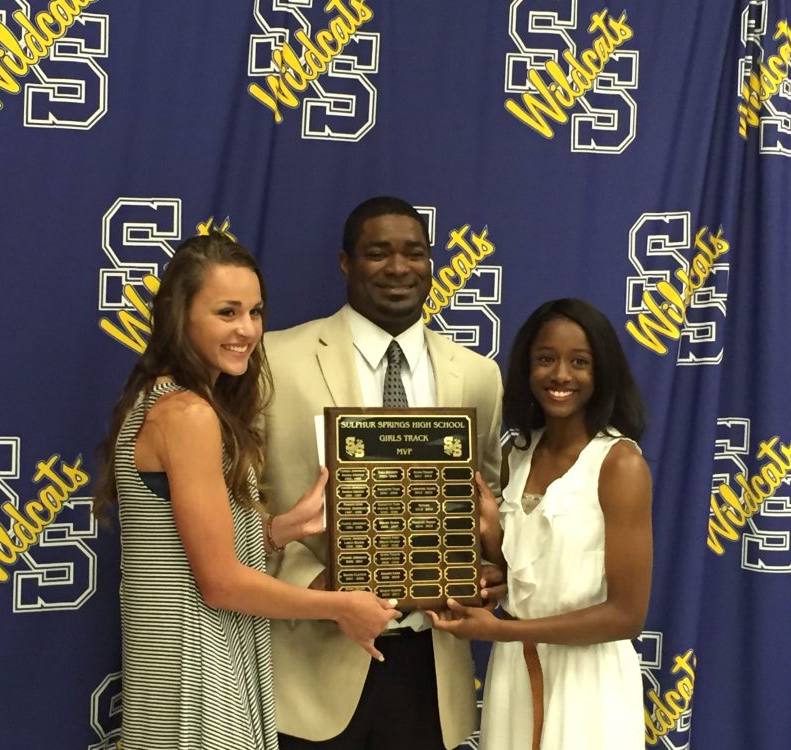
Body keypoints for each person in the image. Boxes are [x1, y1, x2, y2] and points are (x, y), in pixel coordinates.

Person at [93, 233, 400, 750]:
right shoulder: (188, 414)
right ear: (179, 315)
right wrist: (340, 606)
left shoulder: (165, 401)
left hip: (183, 663)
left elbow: (179, 542)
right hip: (196, 672)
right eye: (226, 312)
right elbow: (221, 584)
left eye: (255, 312)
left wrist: (279, 530)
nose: (247, 330)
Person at [261, 196, 505, 750]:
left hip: (430, 665)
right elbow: (246, 505)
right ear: (346, 262)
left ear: (431, 263)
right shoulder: (275, 361)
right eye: (378, 253)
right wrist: (312, 590)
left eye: (413, 253)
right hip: (312, 665)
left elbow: (489, 505)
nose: (398, 268)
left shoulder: (477, 375)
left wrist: (490, 568)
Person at [427, 298, 653, 750]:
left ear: (602, 370)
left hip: (587, 682)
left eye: (580, 362)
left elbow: (626, 616)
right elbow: (529, 579)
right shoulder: (516, 456)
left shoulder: (619, 464)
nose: (561, 375)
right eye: (546, 359)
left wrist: (501, 631)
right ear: (527, 369)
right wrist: (492, 542)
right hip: (515, 675)